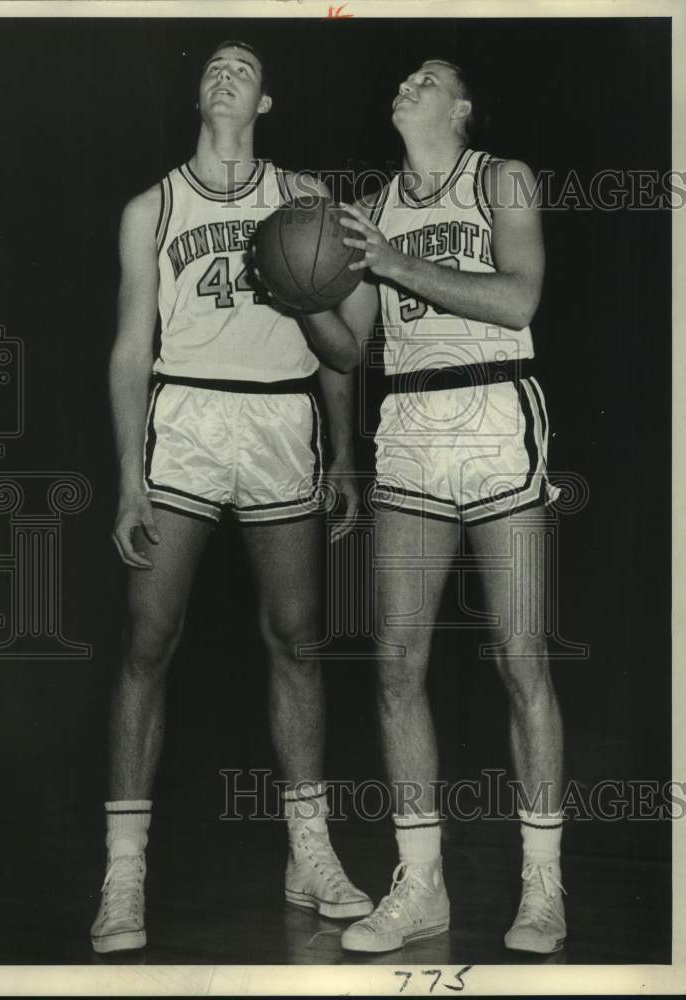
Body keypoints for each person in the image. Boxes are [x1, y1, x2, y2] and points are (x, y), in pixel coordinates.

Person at [90, 40, 373, 955]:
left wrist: (341, 454)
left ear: (267, 100)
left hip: (280, 421)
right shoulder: (152, 206)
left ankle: (310, 853)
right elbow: (132, 348)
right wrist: (129, 478)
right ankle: (123, 872)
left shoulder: (307, 204)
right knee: (148, 639)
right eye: (212, 63)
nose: (224, 72)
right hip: (188, 422)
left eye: (243, 66)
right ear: (196, 93)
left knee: (297, 639)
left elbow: (341, 350)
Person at [334, 58, 566, 955]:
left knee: (520, 658)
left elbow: (519, 297)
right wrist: (305, 294)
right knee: (393, 661)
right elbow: (351, 345)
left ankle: (542, 886)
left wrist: (390, 262)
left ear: (462, 107)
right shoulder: (371, 207)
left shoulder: (501, 178)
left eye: (427, 77)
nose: (404, 82)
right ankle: (420, 885)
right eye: (399, 75)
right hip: (410, 423)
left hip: (497, 408)